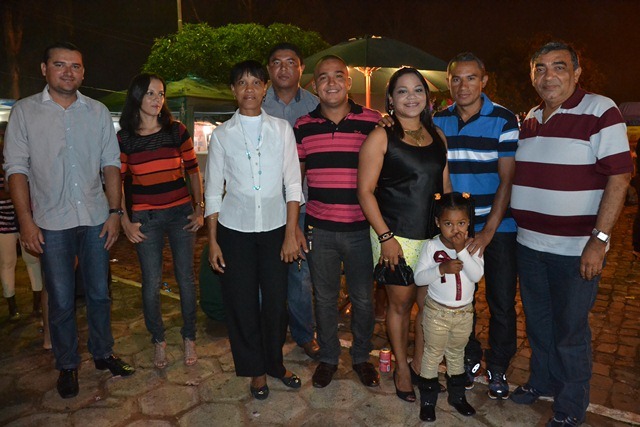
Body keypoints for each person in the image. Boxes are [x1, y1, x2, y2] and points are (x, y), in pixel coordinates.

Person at [510, 41, 633, 427]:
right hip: (529, 245)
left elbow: (620, 177)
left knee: (570, 331)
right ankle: (542, 381)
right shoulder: (531, 118)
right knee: (539, 323)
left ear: (577, 73)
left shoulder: (600, 110)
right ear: (532, 76)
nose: (549, 76)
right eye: (540, 68)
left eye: (559, 67)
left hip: (576, 248)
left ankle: (570, 405)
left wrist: (599, 240)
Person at [3, 42, 134, 399]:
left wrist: (115, 212)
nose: (68, 72)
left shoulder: (97, 111)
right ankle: (67, 364)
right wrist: (26, 221)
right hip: (50, 221)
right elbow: (16, 169)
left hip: (95, 217)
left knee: (100, 294)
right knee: (60, 299)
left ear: (83, 72)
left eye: (75, 66)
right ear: (44, 69)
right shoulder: (25, 112)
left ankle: (103, 353)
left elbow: (111, 164)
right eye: (60, 64)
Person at [205, 60, 304, 400]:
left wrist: (291, 234)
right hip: (235, 231)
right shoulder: (222, 135)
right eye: (242, 83)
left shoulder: (282, 130)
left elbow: (293, 184)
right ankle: (256, 371)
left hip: (276, 229)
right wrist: (212, 241)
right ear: (233, 90)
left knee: (276, 304)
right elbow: (212, 192)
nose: (249, 89)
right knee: (242, 304)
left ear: (265, 89)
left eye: (255, 82)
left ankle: (275, 363)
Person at [358, 67, 451, 402]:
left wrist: (451, 235)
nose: (411, 97)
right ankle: (400, 368)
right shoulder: (381, 136)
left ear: (427, 97)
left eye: (418, 90)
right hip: (396, 237)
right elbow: (365, 192)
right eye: (402, 91)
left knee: (430, 307)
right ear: (391, 99)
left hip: (432, 238)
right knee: (400, 306)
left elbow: (445, 188)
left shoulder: (437, 135)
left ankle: (420, 365)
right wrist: (386, 238)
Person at [432, 52, 519, 398]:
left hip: (498, 228)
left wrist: (486, 233)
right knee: (460, 298)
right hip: (457, 228)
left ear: (483, 81)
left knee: (501, 301)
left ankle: (498, 365)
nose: (463, 85)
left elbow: (507, 181)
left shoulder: (503, 119)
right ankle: (468, 357)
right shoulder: (439, 120)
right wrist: (455, 230)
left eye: (471, 78)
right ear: (448, 81)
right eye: (456, 78)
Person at [295, 55, 381, 389]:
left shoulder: (373, 121)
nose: (331, 83)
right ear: (314, 85)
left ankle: (361, 357)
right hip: (320, 229)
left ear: (348, 82)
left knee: (363, 299)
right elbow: (296, 180)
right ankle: (329, 358)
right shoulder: (303, 126)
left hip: (361, 228)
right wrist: (294, 226)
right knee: (325, 298)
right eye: (323, 77)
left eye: (338, 76)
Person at [117, 73, 203, 368]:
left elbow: (193, 170)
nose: (157, 99)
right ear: (137, 96)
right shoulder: (125, 138)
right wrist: (124, 221)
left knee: (185, 278)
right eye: (151, 93)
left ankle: (189, 336)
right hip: (146, 218)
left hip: (181, 214)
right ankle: (159, 340)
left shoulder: (176, 131)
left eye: (161, 94)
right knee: (151, 281)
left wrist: (199, 208)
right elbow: (116, 181)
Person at [262, 42, 320, 359]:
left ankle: (303, 334)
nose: (283, 68)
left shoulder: (315, 105)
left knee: (300, 274)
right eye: (276, 62)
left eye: (290, 62)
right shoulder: (256, 102)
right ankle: (268, 332)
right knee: (265, 273)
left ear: (301, 68)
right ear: (269, 68)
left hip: (304, 203)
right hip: (265, 205)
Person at [414, 192, 484, 422]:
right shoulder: (431, 246)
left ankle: (457, 397)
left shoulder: (473, 247)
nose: (455, 230)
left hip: (464, 314)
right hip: (437, 313)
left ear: (469, 222)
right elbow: (419, 278)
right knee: (432, 355)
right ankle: (428, 401)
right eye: (448, 224)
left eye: (461, 223)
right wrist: (441, 269)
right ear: (437, 222)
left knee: (456, 354)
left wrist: (461, 250)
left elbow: (476, 275)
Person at [1, 121, 45, 323]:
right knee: (7, 262)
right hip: (4, 222)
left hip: (27, 218)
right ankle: (12, 307)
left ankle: (37, 305)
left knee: (33, 261)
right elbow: (10, 190)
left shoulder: (26, 156)